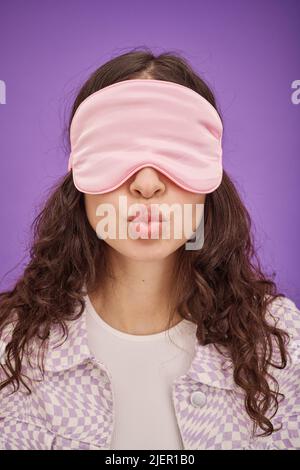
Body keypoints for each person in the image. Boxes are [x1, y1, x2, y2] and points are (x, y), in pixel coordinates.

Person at [0, 48, 299, 450]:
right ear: (78, 175)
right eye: (119, 150)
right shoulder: (11, 348)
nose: (146, 183)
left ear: (211, 178)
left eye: (174, 151)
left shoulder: (282, 346)